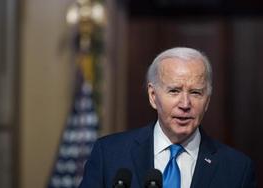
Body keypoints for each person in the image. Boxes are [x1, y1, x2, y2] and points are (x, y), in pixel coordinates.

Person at [78, 47, 256, 188]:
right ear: (153, 96)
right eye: (174, 91)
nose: (185, 104)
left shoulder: (237, 169)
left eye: (195, 93)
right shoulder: (109, 155)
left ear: (207, 101)